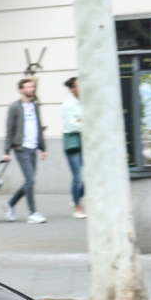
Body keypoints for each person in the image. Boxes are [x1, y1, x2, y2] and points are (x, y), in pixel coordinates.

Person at [1, 77, 48, 224]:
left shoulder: (35, 106)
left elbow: (39, 127)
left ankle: (9, 204)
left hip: (33, 148)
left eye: (32, 87)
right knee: (30, 180)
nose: (31, 89)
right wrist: (6, 151)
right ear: (21, 90)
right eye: (28, 87)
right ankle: (33, 213)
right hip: (21, 148)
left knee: (30, 181)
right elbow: (10, 130)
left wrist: (43, 148)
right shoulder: (15, 107)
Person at [61, 76, 86, 218]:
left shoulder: (84, 102)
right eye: (78, 85)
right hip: (72, 142)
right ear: (72, 89)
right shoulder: (68, 105)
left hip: (84, 141)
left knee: (88, 177)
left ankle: (75, 197)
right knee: (77, 176)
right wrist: (83, 122)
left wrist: (81, 121)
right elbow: (72, 126)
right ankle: (77, 208)